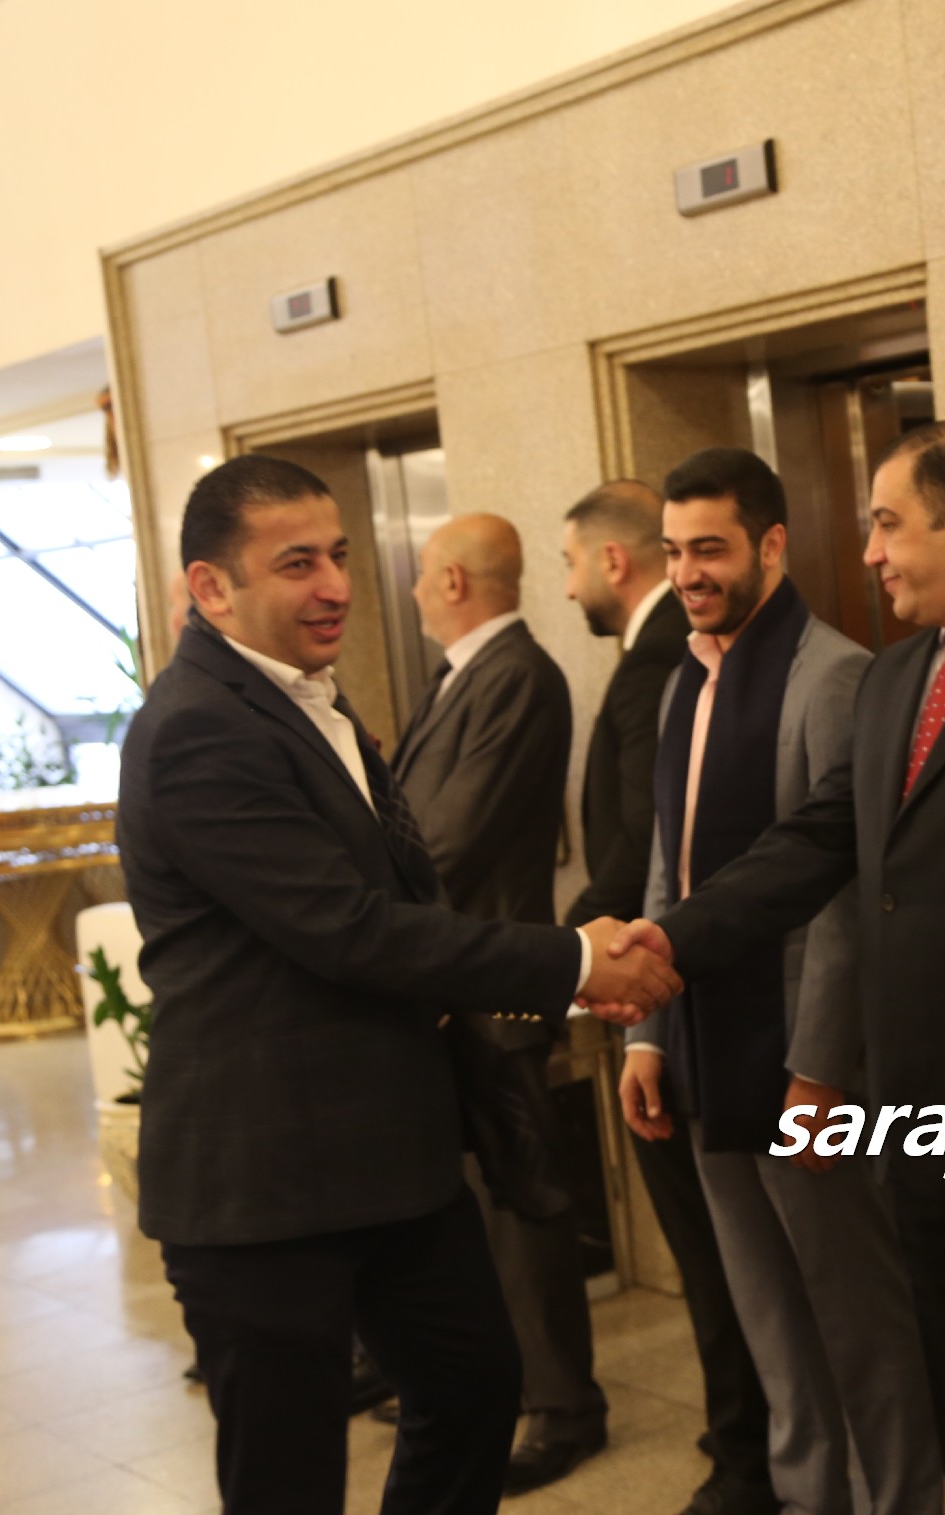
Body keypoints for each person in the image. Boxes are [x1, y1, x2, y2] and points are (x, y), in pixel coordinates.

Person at [117, 455, 676, 1515]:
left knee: (473, 1391)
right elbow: (349, 930)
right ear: (210, 587)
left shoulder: (305, 701)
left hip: (388, 1161)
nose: (337, 585)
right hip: (266, 1182)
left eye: (338, 555)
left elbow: (401, 893)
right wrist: (571, 961)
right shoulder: (198, 727)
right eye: (297, 564)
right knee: (287, 1479)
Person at [618, 422, 945, 1513]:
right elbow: (819, 845)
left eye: (887, 523)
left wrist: (816, 1066)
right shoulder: (899, 676)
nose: (870, 553)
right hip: (918, 1104)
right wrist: (671, 943)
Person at [622, 446, 945, 1515]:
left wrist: (820, 1070)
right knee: (768, 1321)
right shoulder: (686, 677)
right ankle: (810, 1501)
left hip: (803, 1061)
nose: (687, 573)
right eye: (673, 551)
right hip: (704, 1042)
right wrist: (644, 1034)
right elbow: (670, 863)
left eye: (709, 549)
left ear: (771, 544)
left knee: (858, 1321)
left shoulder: (835, 674)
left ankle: (898, 1502)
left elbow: (845, 894)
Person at [561, 478, 776, 1515]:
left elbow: (652, 854)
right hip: (662, 999)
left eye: (709, 548)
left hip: (696, 995)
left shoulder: (670, 664)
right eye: (677, 549)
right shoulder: (674, 660)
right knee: (720, 1256)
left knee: (731, 1262)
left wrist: (569, 962)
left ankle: (748, 1458)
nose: (570, 588)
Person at [391, 512, 608, 1492]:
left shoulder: (517, 674)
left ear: (451, 581)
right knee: (482, 1209)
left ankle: (564, 1408)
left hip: (497, 987)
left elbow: (449, 836)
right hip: (452, 984)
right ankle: (506, 1384)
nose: (410, 592)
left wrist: (368, 910)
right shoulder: (459, 675)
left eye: (419, 575)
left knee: (527, 1208)